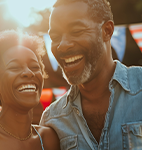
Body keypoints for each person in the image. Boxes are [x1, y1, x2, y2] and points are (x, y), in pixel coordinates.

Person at [40, 0, 142, 149]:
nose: (62, 45)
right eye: (55, 37)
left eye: (76, 31)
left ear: (107, 31)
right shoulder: (52, 119)